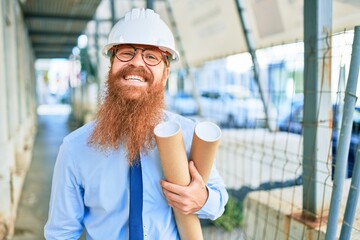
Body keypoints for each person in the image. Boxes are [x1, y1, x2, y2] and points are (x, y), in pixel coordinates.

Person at [44, 8, 228, 240]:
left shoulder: (189, 134)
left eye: (151, 56)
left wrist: (202, 199)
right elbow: (61, 233)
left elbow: (219, 200)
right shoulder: (75, 148)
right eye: (126, 53)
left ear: (165, 74)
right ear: (111, 65)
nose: (137, 63)